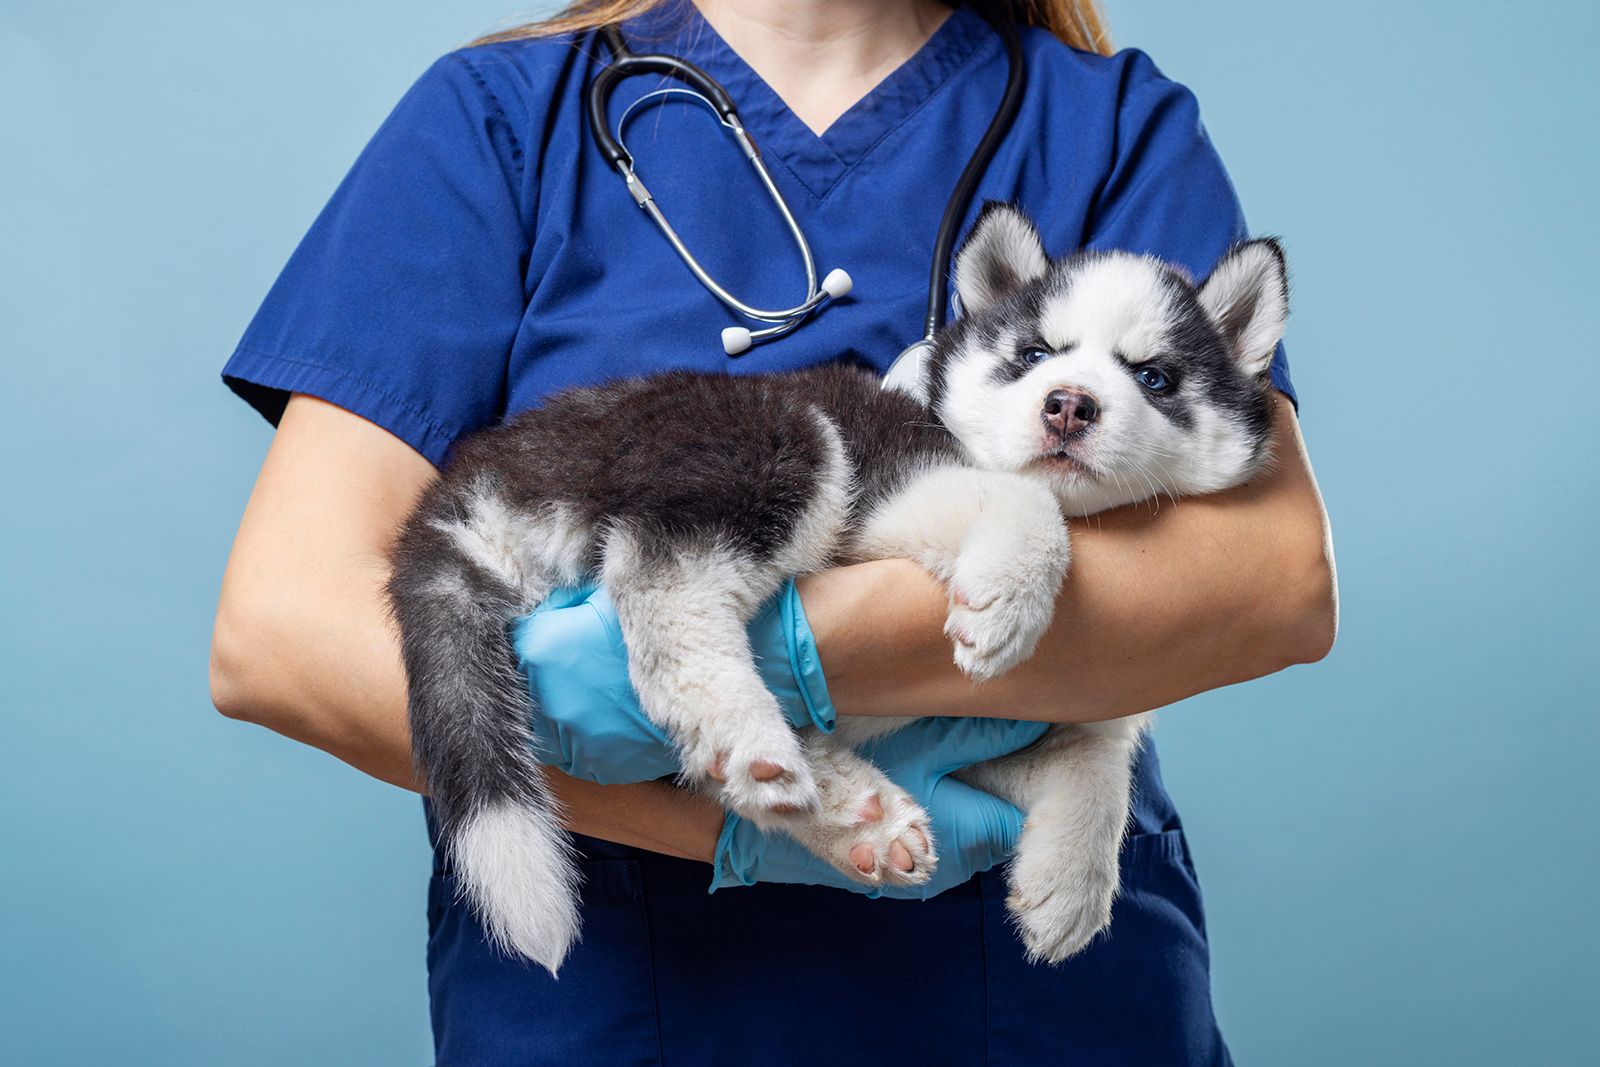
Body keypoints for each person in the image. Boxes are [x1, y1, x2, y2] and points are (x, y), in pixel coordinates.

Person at [209, 0, 1336, 1062]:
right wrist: (722, 814)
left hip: (1049, 1006)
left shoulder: (1108, 124)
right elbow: (279, 638)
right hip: (625, 998)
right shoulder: (503, 118)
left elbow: (1273, 581)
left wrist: (787, 654)